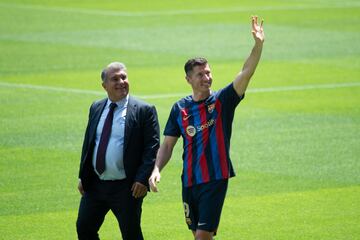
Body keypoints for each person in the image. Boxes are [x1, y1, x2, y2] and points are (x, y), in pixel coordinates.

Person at [148, 16, 265, 240]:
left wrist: (258, 45)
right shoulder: (179, 108)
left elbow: (246, 71)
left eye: (208, 72)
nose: (207, 77)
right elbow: (168, 145)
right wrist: (156, 169)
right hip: (189, 181)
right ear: (188, 79)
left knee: (202, 236)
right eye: (200, 74)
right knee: (200, 236)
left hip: (215, 178)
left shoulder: (223, 101)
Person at [76, 62, 160, 240]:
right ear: (104, 85)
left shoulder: (144, 110)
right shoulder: (96, 107)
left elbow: (152, 148)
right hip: (96, 184)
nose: (121, 82)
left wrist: (142, 179)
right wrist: (83, 176)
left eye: (124, 77)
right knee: (84, 227)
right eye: (115, 79)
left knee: (131, 234)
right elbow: (89, 144)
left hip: (127, 187)